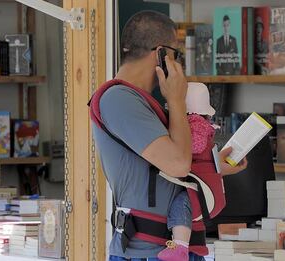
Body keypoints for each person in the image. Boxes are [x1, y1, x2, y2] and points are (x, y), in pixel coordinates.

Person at [91, 11, 247, 261]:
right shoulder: (118, 99)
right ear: (161, 54)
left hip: (177, 249)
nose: (180, 65)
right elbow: (177, 164)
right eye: (178, 55)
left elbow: (169, 170)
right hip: (148, 252)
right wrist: (176, 99)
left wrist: (214, 167)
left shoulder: (144, 103)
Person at [158, 82, 219, 261]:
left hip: (196, 183)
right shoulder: (199, 123)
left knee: (181, 205)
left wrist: (172, 143)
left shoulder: (195, 124)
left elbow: (196, 146)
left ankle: (180, 247)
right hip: (199, 181)